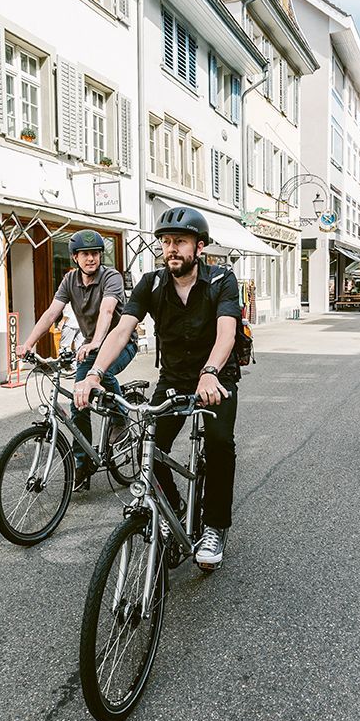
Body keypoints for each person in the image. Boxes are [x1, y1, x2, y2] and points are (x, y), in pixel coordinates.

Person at [74, 207, 240, 570]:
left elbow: (226, 331)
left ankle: (214, 526)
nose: (171, 249)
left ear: (199, 247)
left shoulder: (221, 281)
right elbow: (122, 329)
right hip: (174, 378)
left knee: (219, 444)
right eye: (166, 242)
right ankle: (173, 508)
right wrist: (95, 373)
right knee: (149, 445)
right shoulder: (151, 283)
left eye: (180, 241)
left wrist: (210, 372)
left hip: (216, 380)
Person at [16, 229, 136, 487]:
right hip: (91, 348)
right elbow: (51, 314)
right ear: (75, 258)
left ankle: (120, 418)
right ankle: (83, 464)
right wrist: (28, 343)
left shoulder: (111, 277)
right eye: (85, 254)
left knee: (104, 375)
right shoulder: (69, 281)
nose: (91, 259)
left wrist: (95, 341)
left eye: (95, 254)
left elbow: (107, 310)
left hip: (119, 343)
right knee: (79, 402)